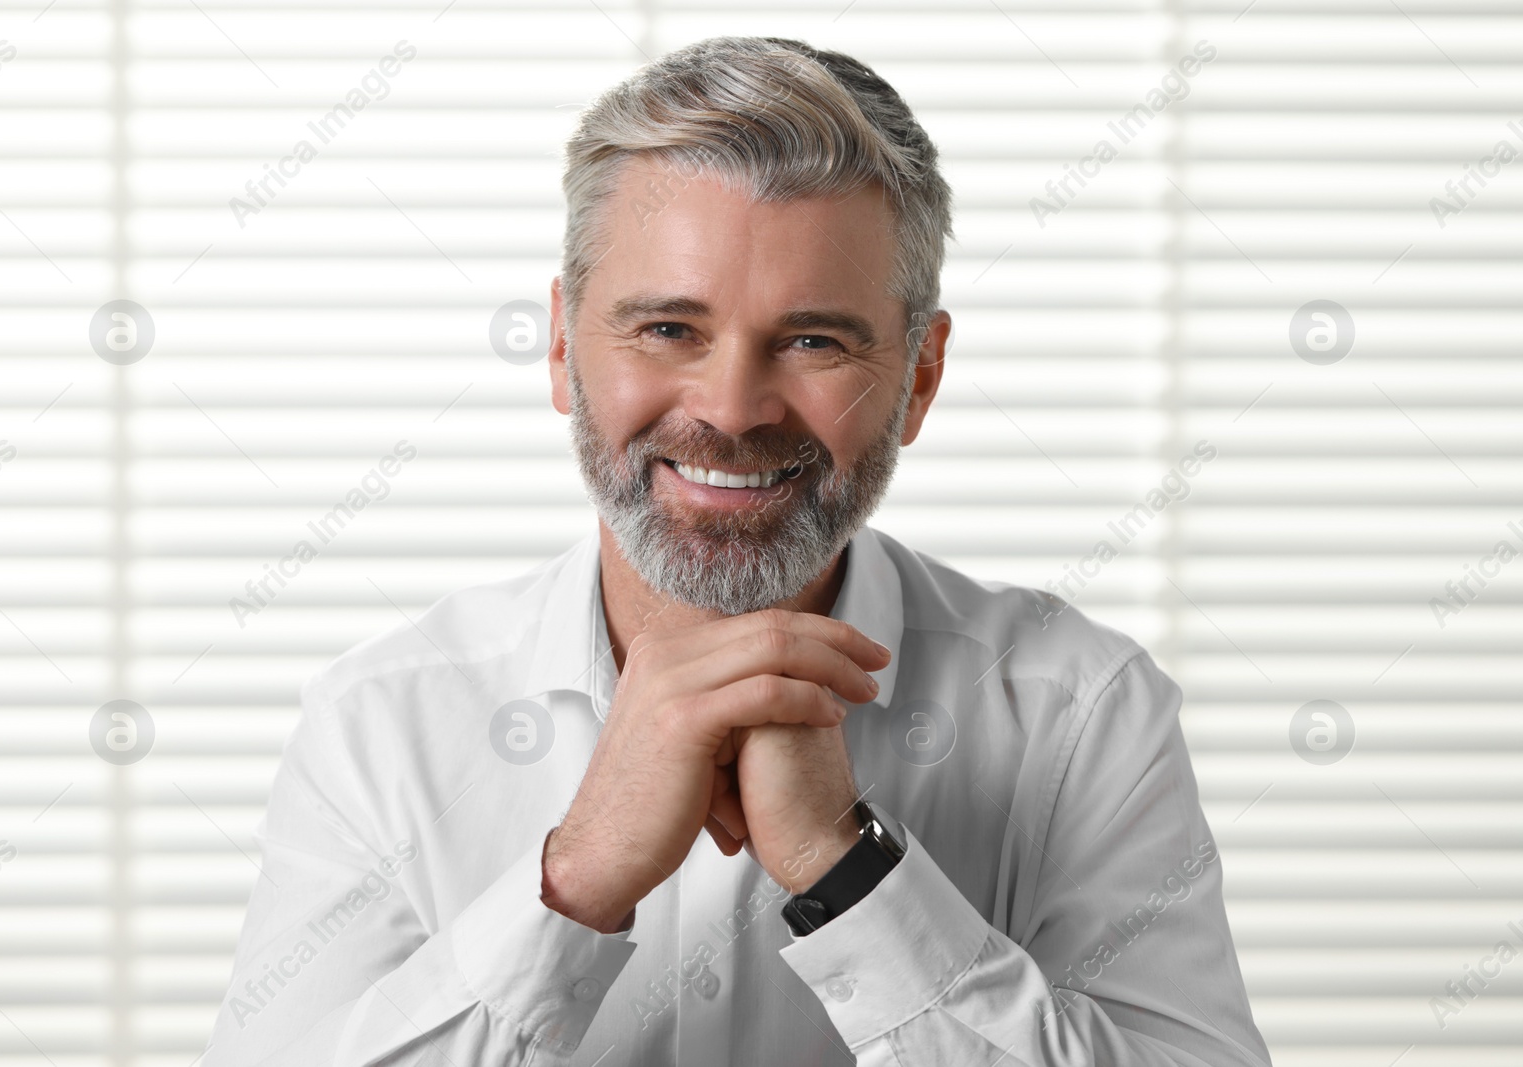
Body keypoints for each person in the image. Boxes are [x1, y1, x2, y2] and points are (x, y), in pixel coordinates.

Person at [204, 35, 1270, 1066]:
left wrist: (848, 871)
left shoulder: (1081, 712)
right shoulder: (380, 724)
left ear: (920, 376)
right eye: (667, 328)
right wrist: (572, 882)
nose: (729, 409)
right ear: (563, 347)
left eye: (814, 339)